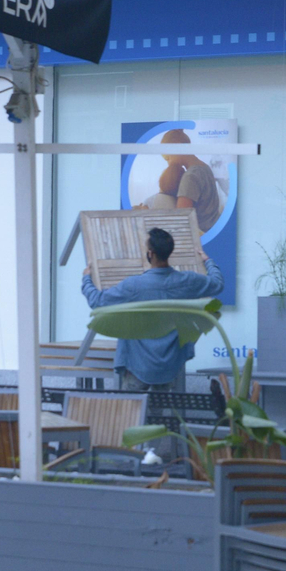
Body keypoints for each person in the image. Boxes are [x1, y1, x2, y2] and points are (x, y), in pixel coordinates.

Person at [81, 227, 223, 392]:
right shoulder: (186, 281)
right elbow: (217, 284)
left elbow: (97, 301)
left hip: (137, 364)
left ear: (150, 253)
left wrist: (86, 278)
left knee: (132, 412)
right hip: (170, 363)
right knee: (159, 416)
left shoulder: (133, 286)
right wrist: (208, 261)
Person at [158, 136, 222, 232]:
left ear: (178, 147)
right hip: (214, 228)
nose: (168, 163)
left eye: (167, 157)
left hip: (200, 234)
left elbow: (181, 218)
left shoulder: (190, 177)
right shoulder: (205, 168)